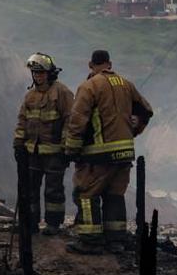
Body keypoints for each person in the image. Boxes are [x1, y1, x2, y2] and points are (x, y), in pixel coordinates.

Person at [63, 49, 153, 254]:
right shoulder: (126, 84)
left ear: (90, 65)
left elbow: (77, 121)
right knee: (114, 196)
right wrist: (135, 128)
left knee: (86, 194)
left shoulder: (89, 86)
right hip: (125, 154)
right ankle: (116, 241)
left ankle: (90, 241)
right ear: (110, 64)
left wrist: (71, 150)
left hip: (99, 155)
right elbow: (146, 111)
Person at [13, 52, 74, 235]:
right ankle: (31, 223)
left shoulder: (61, 92)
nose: (38, 76)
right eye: (35, 73)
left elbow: (70, 120)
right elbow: (22, 121)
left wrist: (66, 147)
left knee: (53, 191)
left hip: (55, 153)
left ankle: (53, 224)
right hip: (33, 152)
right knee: (30, 190)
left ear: (49, 73)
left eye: (41, 73)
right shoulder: (30, 96)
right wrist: (18, 143)